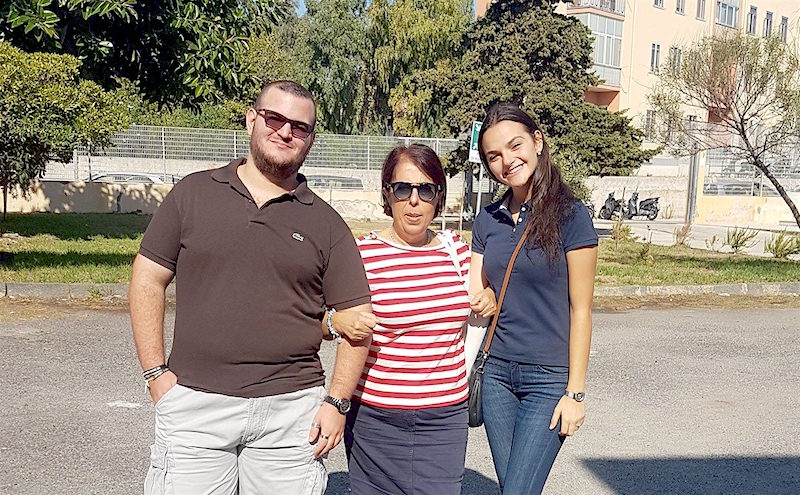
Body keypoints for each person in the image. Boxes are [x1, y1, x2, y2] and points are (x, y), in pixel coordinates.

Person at [129, 80, 373, 495]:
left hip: (291, 413)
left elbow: (358, 322)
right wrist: (155, 374)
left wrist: (336, 402)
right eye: (274, 118)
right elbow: (148, 278)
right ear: (251, 120)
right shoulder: (193, 194)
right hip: (196, 406)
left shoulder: (327, 224)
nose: (286, 132)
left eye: (300, 126)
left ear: (311, 140)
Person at [326, 144, 496, 495]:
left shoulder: (456, 250)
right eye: (403, 189)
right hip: (375, 418)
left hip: (444, 417)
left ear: (438, 196)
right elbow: (313, 315)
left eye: (426, 190)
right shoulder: (362, 254)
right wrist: (333, 322)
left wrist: (490, 296)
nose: (414, 201)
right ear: (388, 194)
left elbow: (483, 298)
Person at [471, 102, 599, 494]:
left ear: (537, 142)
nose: (507, 161)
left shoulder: (571, 216)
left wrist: (575, 393)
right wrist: (485, 295)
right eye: (494, 155)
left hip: (548, 378)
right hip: (496, 377)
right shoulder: (487, 220)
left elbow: (581, 310)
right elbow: (477, 291)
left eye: (515, 146)